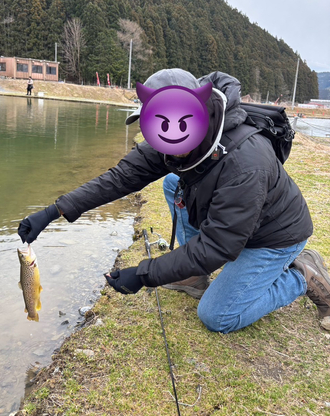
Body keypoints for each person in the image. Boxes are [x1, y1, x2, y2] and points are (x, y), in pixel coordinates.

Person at [18, 68, 330, 333]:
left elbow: (217, 247)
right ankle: (193, 275)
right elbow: (119, 178)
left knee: (218, 316)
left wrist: (144, 274)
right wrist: (54, 211)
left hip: (273, 237)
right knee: (171, 184)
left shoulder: (245, 161)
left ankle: (301, 275)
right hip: (240, 227)